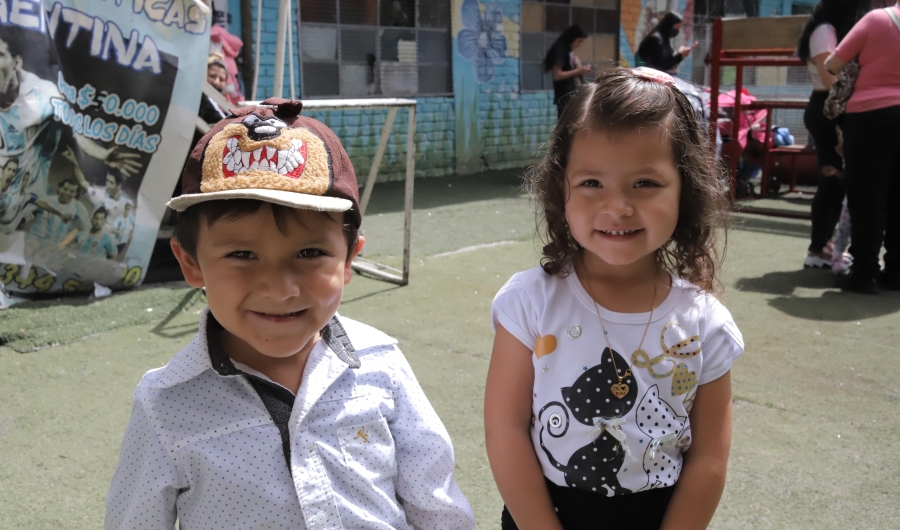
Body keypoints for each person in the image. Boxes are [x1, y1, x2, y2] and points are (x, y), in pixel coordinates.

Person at [105, 99, 476, 529]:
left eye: (310, 253)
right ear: (191, 263)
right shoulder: (165, 403)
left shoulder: (383, 364)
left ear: (349, 260)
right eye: (242, 254)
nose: (281, 288)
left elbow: (437, 508)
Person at [485, 68, 743, 530]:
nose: (618, 206)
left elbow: (708, 458)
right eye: (591, 183)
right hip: (545, 515)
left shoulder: (705, 322)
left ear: (685, 189)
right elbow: (505, 429)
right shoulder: (529, 302)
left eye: (645, 183)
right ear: (559, 187)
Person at [825, 4, 900, 293]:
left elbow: (833, 63)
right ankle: (895, 273)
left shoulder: (877, 19)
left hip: (870, 117)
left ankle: (864, 273)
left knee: (867, 198)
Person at [796, 0, 866, 270]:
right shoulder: (825, 30)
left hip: (830, 106)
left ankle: (824, 245)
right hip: (827, 107)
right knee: (831, 178)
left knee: (836, 181)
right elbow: (829, 79)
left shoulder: (826, 28)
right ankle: (817, 247)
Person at [544, 25, 591, 118]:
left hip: (573, 96)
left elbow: (575, 69)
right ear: (572, 38)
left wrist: (580, 68)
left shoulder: (569, 51)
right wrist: (578, 71)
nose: (579, 44)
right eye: (579, 41)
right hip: (564, 97)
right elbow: (557, 75)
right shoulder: (560, 49)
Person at [26, 178, 89, 244]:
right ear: (59, 188)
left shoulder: (78, 207)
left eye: (72, 191)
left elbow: (87, 228)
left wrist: (81, 237)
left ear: (76, 193)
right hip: (34, 239)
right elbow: (26, 211)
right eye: (65, 189)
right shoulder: (46, 200)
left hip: (55, 244)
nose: (67, 193)